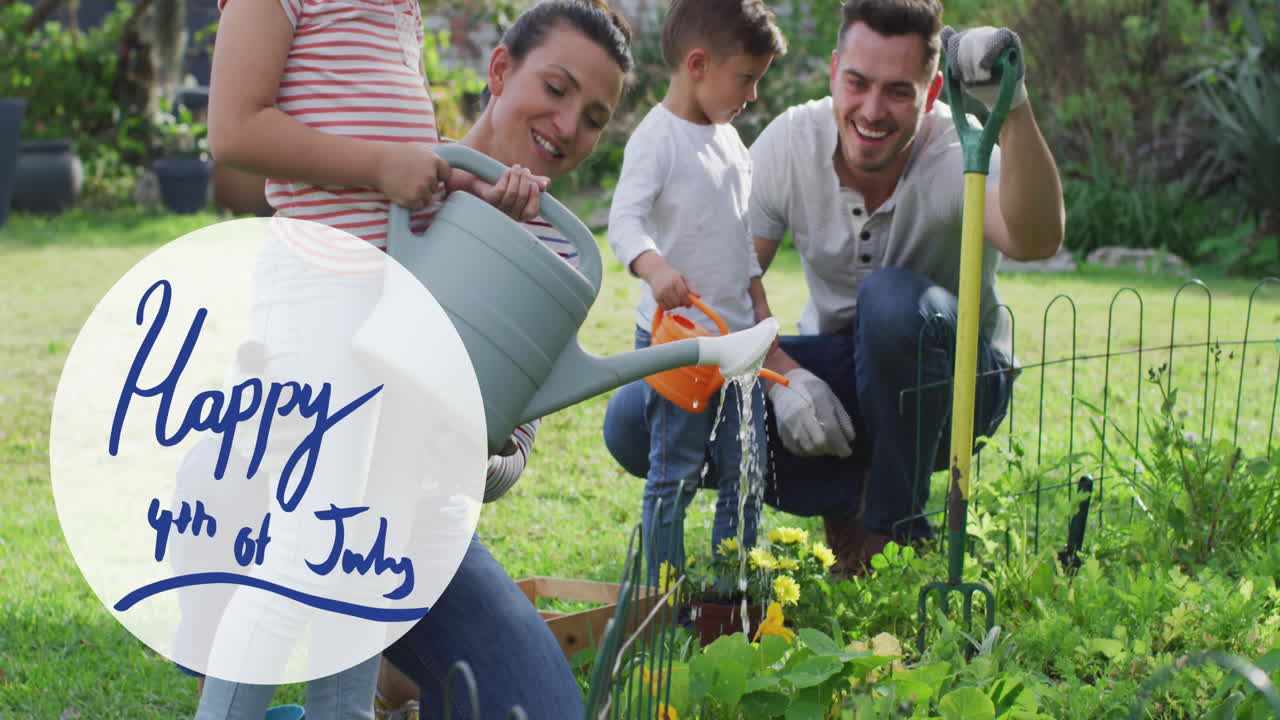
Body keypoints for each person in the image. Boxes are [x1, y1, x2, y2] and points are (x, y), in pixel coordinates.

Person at [200, 0, 632, 717]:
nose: (568, 124)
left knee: (360, 563)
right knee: (311, 544)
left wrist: (474, 206)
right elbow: (235, 129)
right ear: (500, 72)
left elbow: (410, 189)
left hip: (386, 322)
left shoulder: (400, 12)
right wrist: (392, 169)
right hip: (328, 288)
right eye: (555, 90)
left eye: (592, 116)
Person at [604, 0, 1064, 577]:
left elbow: (1037, 239)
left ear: (933, 89)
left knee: (891, 303)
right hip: (843, 374)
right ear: (833, 72)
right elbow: (730, 282)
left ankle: (891, 533)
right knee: (634, 418)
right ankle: (846, 497)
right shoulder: (790, 142)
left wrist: (1012, 106)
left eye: (899, 91)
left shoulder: (955, 152)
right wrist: (783, 374)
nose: (872, 111)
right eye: (857, 83)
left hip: (954, 380)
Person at [604, 0, 785, 584]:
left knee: (746, 473)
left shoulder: (732, 143)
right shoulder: (657, 139)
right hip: (680, 341)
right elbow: (624, 223)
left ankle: (733, 586)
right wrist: (655, 270)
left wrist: (758, 305)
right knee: (675, 472)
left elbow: (738, 240)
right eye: (746, 78)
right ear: (699, 63)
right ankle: (666, 594)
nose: (753, 94)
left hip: (736, 340)